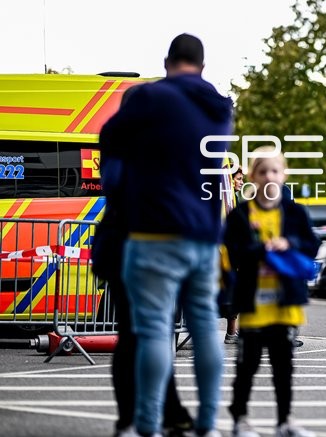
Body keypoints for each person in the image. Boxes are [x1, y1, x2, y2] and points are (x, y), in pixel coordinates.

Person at [101, 33, 232, 437]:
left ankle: (146, 424)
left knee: (155, 331)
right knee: (205, 327)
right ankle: (208, 422)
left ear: (166, 61)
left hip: (154, 231)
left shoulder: (148, 98)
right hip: (204, 236)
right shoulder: (220, 107)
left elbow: (111, 145)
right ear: (203, 67)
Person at [95, 86, 193, 437]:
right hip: (145, 249)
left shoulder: (115, 142)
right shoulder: (149, 147)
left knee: (136, 336)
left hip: (120, 247)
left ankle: (147, 417)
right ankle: (156, 415)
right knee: (151, 335)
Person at [224, 147, 320, 437]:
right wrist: (261, 249)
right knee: (247, 365)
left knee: (283, 367)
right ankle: (240, 418)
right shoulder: (241, 214)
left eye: (274, 171)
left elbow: (312, 245)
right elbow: (234, 251)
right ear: (253, 176)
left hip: (284, 303)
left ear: (283, 175)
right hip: (253, 304)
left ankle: (284, 421)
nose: (269, 177)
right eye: (263, 171)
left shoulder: (295, 212)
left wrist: (289, 243)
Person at [225, 166, 245, 345]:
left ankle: (232, 331)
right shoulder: (227, 198)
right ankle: (232, 332)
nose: (241, 182)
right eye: (239, 178)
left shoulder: (234, 198)